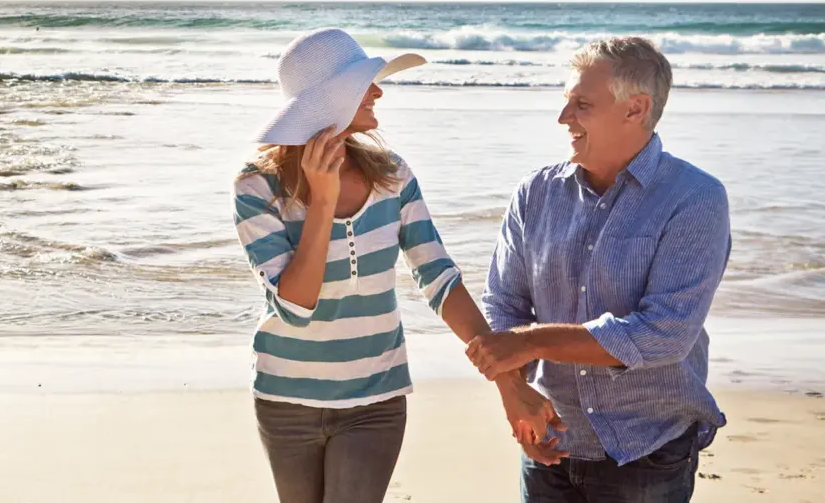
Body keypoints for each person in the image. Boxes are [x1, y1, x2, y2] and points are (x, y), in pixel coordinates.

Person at [232, 28, 562, 503]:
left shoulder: (393, 175)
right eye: (364, 82)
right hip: (286, 399)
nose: (379, 91)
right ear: (329, 98)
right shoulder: (256, 187)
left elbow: (440, 280)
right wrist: (322, 201)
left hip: (376, 398)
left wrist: (509, 386)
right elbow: (296, 307)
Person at [466, 37, 731, 502]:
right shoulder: (535, 193)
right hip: (551, 442)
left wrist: (528, 343)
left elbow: (662, 335)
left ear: (636, 109)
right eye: (567, 102)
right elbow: (503, 303)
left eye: (582, 104)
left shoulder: (695, 198)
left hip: (646, 451)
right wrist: (515, 392)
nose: (563, 117)